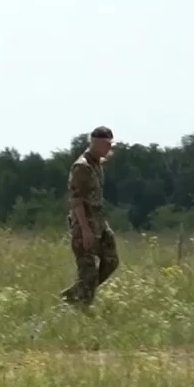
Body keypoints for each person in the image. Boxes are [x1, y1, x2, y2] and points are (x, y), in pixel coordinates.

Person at [61, 127, 119, 307]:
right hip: (84, 225)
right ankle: (79, 306)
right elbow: (76, 201)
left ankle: (75, 293)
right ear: (95, 143)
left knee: (111, 261)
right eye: (106, 145)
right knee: (89, 273)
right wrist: (85, 231)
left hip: (100, 223)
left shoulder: (96, 164)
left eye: (111, 144)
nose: (109, 149)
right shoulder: (81, 167)